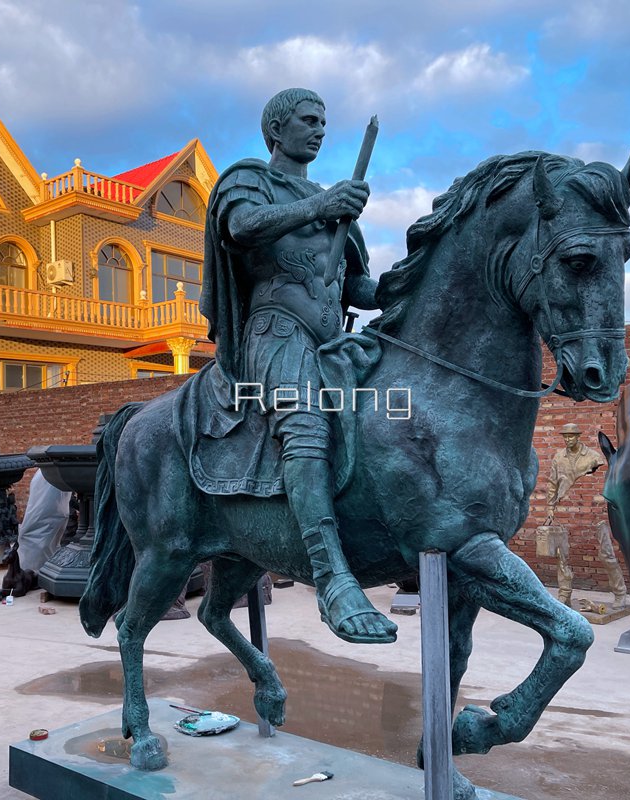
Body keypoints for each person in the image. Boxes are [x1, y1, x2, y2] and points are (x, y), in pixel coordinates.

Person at [201, 88, 396, 644]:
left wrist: (402, 284)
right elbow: (241, 228)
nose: (318, 130)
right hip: (276, 331)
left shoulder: (330, 199)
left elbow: (352, 284)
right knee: (306, 425)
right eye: (308, 121)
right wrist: (321, 206)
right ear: (276, 130)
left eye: (324, 123)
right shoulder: (249, 180)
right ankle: (331, 577)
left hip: (334, 339)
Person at [544, 423, 627, 608]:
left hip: (593, 511)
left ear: (578, 437)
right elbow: (552, 484)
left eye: (571, 436)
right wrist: (550, 508)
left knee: (606, 554)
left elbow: (605, 483)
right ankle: (564, 594)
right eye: (565, 436)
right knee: (562, 556)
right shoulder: (559, 457)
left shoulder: (594, 457)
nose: (568, 439)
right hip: (565, 512)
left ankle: (620, 593)